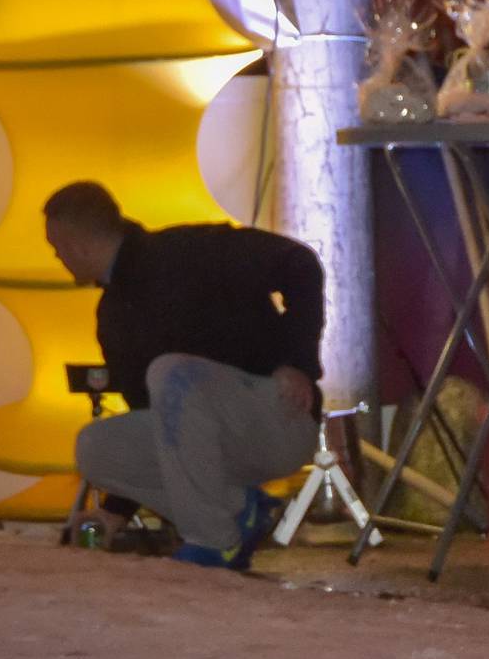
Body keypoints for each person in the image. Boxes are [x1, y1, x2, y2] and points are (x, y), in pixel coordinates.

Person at [44, 180, 324, 570]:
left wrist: (298, 364)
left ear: (78, 246)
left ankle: (214, 542)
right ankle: (239, 509)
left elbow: (299, 264)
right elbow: (157, 423)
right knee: (95, 448)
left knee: (171, 374)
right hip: (213, 448)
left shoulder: (189, 251)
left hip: (278, 416)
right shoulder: (113, 318)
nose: (60, 260)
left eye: (58, 250)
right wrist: (114, 513)